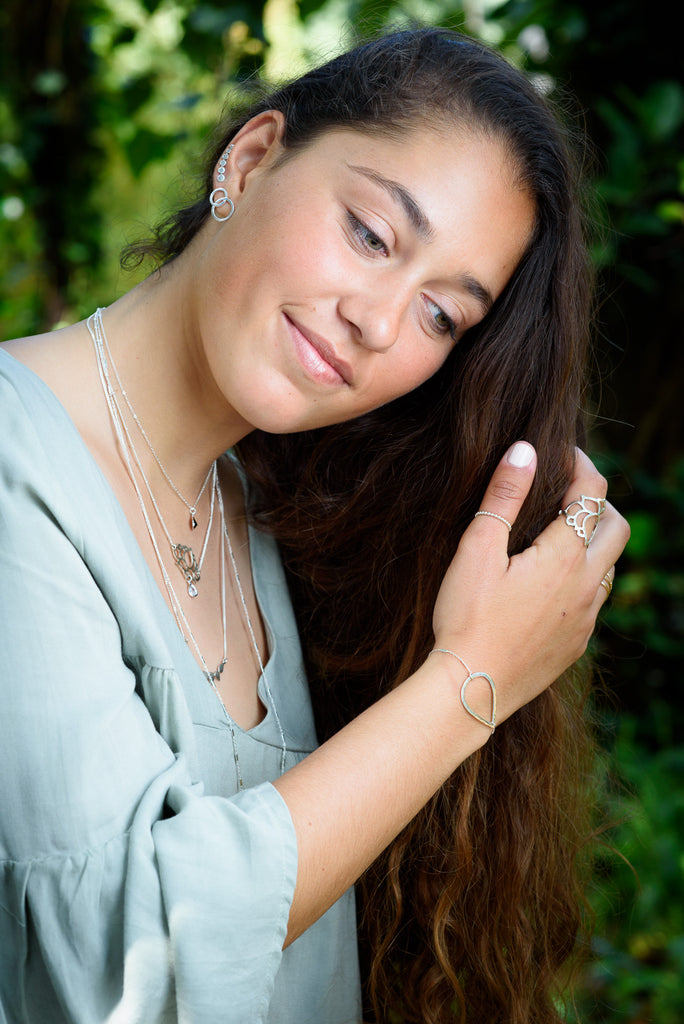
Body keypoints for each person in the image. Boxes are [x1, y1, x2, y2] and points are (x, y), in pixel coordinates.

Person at [0, 25, 629, 1024]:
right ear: (249, 162)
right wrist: (475, 680)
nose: (379, 320)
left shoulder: (258, 515)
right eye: (373, 234)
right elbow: (128, 964)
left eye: (440, 317)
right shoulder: (15, 460)